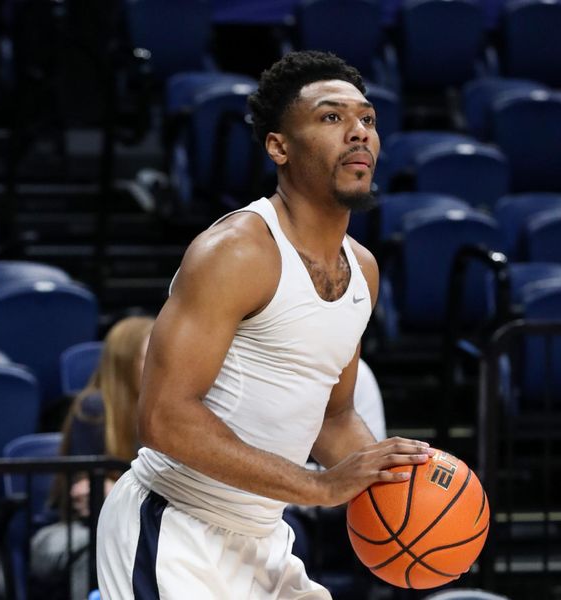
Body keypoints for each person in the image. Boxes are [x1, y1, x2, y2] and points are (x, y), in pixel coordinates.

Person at [96, 50, 434, 599]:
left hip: (263, 536)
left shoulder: (363, 269)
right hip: (176, 526)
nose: (358, 133)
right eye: (331, 118)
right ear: (278, 145)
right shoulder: (236, 252)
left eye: (367, 119)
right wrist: (317, 486)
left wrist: (406, 499)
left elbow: (334, 414)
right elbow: (164, 416)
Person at [30, 316, 154, 600]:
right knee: (96, 545)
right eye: (150, 357)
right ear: (124, 362)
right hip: (67, 532)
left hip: (131, 527)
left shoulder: (161, 413)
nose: (161, 365)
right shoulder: (95, 408)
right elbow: (86, 493)